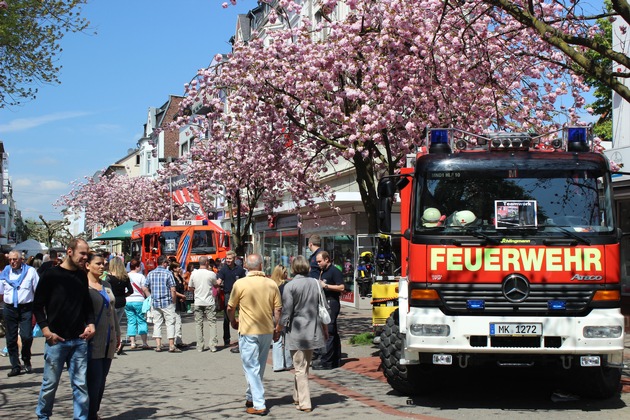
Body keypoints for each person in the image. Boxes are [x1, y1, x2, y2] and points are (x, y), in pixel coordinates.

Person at [33, 238, 96, 420]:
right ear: (69, 251)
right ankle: (43, 416)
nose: (85, 257)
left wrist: (91, 324)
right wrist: (46, 331)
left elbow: (86, 304)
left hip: (79, 340)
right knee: (50, 384)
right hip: (56, 340)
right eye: (82, 253)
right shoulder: (51, 275)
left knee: (80, 385)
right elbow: (38, 305)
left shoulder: (82, 276)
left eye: (87, 254)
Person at [227, 254, 281, 416]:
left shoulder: (240, 284)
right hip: (266, 330)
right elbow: (277, 309)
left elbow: (230, 307)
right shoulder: (271, 284)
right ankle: (251, 396)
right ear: (261, 266)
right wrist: (277, 328)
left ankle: (259, 404)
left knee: (251, 367)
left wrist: (233, 321)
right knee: (259, 366)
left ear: (245, 265)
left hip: (248, 329)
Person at [278, 256, 328, 412]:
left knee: (299, 367)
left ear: (293, 268)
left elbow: (287, 311)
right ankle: (297, 396)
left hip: (296, 330)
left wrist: (278, 327)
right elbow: (324, 307)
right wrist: (325, 330)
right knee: (304, 366)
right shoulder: (316, 284)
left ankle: (305, 402)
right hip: (313, 329)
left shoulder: (290, 286)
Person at [86, 252, 120, 420]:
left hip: (109, 338)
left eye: (103, 264)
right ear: (87, 265)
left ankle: (94, 412)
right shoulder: (83, 286)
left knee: (102, 380)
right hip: (92, 340)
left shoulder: (107, 285)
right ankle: (90, 414)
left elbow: (112, 310)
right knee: (94, 381)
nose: (102, 266)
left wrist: (118, 334)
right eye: (98, 263)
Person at [0, 250, 39, 376]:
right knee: (11, 338)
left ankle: (26, 359)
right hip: (9, 308)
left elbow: (37, 289)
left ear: (21, 259)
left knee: (26, 336)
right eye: (10, 259)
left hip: (25, 308)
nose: (12, 262)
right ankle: (15, 365)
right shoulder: (5, 273)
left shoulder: (30, 271)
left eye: (15, 259)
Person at [312, 251, 344, 370]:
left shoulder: (334, 271)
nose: (318, 264)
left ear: (327, 260)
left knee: (329, 331)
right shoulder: (323, 271)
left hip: (332, 303)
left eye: (320, 261)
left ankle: (327, 361)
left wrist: (325, 286)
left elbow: (341, 287)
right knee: (332, 330)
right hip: (325, 302)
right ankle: (335, 359)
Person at [143, 255, 179, 353]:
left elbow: (145, 287)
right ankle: (171, 345)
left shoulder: (150, 273)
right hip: (167, 302)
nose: (168, 264)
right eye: (167, 263)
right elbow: (173, 289)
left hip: (155, 302)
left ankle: (158, 345)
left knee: (157, 323)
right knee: (170, 323)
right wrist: (174, 300)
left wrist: (150, 296)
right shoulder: (168, 273)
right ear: (163, 263)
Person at [188, 256, 220, 352]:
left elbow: (190, 287)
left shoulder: (193, 274)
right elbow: (216, 284)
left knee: (198, 323)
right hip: (209, 301)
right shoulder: (211, 274)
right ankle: (213, 345)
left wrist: (197, 290)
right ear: (206, 262)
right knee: (212, 323)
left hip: (198, 301)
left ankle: (200, 345)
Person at [217, 250, 246, 350]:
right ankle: (226, 339)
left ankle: (242, 337)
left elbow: (244, 281)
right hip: (228, 294)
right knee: (227, 317)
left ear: (234, 259)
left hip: (240, 294)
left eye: (230, 259)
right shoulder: (223, 269)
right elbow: (219, 280)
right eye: (227, 259)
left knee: (242, 315)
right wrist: (216, 282)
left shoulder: (240, 270)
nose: (228, 260)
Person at [105, 256, 132, 354]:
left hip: (112, 302)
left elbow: (105, 290)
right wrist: (123, 295)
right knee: (117, 324)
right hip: (122, 301)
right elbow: (131, 291)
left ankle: (115, 344)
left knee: (110, 324)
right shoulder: (124, 277)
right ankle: (117, 343)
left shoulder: (108, 278)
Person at [270, 264, 292, 372]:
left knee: (276, 339)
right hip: (284, 314)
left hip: (273, 314)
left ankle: (278, 364)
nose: (287, 274)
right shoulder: (286, 286)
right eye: (285, 272)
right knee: (287, 339)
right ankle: (288, 362)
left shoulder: (271, 286)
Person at [125, 259, 150, 350]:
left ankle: (132, 343)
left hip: (128, 300)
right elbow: (144, 289)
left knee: (131, 321)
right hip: (139, 300)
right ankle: (144, 342)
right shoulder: (141, 276)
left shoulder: (126, 276)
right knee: (141, 320)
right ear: (137, 267)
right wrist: (149, 298)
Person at [168, 261, 188, 348]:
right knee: (177, 320)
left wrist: (182, 276)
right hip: (174, 300)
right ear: (174, 269)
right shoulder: (172, 277)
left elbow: (185, 283)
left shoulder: (179, 276)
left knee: (178, 320)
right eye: (178, 267)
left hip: (179, 300)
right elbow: (172, 290)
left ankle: (178, 340)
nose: (180, 268)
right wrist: (182, 295)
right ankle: (177, 340)